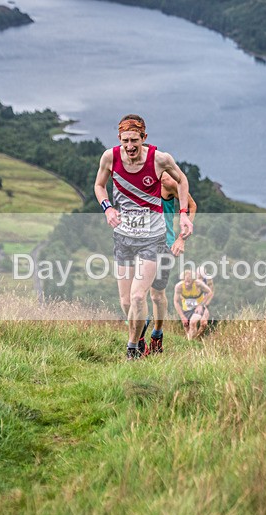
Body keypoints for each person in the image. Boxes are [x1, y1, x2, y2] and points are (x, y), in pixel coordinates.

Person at [94, 114, 193, 360]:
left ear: (144, 138)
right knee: (127, 301)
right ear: (119, 139)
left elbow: (182, 181)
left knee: (141, 295)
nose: (130, 147)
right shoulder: (110, 157)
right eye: (125, 141)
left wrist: (183, 215)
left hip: (153, 238)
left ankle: (132, 350)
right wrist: (108, 208)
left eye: (134, 141)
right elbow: (99, 185)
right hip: (124, 238)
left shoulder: (160, 159)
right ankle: (138, 337)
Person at [147, 172, 197, 353]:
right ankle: (137, 341)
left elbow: (192, 206)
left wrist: (181, 239)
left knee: (156, 296)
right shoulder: (132, 178)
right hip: (139, 245)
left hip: (164, 246)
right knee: (136, 294)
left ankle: (157, 335)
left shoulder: (167, 182)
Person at [173, 269, 213, 340]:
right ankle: (193, 342)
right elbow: (176, 301)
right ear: (183, 280)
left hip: (198, 308)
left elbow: (209, 292)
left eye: (189, 282)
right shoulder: (179, 287)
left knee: (193, 322)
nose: (187, 284)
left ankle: (192, 343)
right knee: (188, 330)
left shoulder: (198, 284)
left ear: (193, 280)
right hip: (186, 309)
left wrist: (201, 305)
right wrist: (182, 317)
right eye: (186, 281)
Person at [195, 266, 214, 337]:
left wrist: (206, 304)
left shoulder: (208, 279)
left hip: (204, 302)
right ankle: (192, 338)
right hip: (194, 303)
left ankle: (197, 338)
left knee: (204, 323)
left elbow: (211, 292)